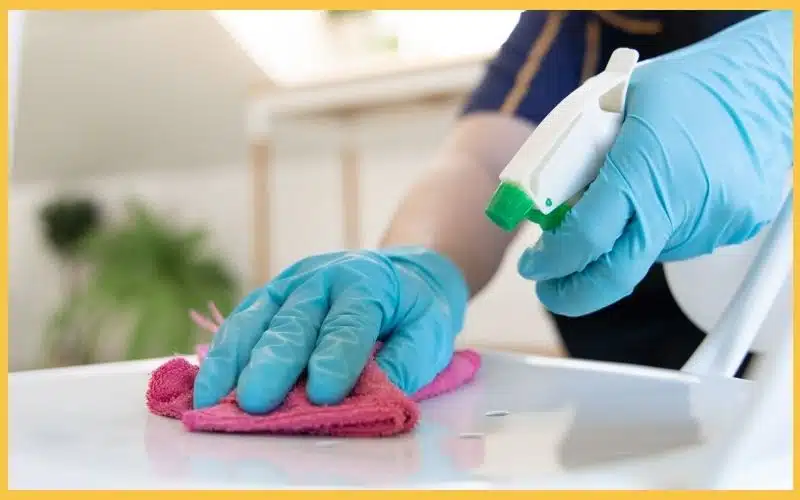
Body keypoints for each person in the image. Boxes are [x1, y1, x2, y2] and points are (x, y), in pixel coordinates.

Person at [194, 10, 793, 414]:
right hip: (623, 397)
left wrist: (779, 77)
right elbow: (480, 164)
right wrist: (417, 264)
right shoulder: (568, 23)